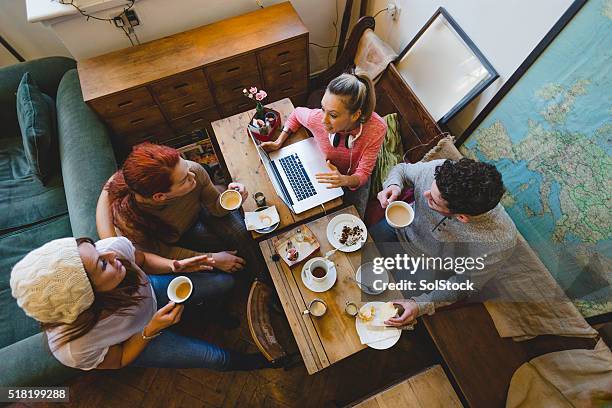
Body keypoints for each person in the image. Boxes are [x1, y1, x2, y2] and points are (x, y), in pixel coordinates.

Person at [10, 236, 276, 371]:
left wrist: (176, 265)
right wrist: (150, 330)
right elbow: (121, 359)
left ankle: (211, 316)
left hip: (152, 291)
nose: (111, 252)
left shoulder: (111, 249)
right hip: (140, 337)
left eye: (95, 247)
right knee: (213, 358)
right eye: (102, 264)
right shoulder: (73, 348)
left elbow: (144, 260)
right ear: (86, 299)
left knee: (223, 284)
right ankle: (262, 362)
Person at [371, 158, 518, 326]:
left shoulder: (500, 241)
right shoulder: (438, 170)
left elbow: (466, 283)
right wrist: (393, 185)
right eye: (431, 188)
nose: (425, 193)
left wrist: (420, 305)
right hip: (398, 229)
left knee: (386, 307)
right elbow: (402, 170)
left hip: (428, 266)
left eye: (433, 200)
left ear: (461, 217)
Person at [96, 142, 265, 278]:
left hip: (199, 211)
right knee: (226, 248)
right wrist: (213, 259)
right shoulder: (132, 220)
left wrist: (233, 199)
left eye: (186, 167)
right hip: (176, 240)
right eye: (184, 180)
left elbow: (215, 208)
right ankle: (258, 280)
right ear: (160, 196)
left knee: (242, 234)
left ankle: (264, 277)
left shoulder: (192, 170)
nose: (193, 176)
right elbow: (165, 253)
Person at [260, 73, 387, 217]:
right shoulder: (316, 118)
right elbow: (296, 114)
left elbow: (363, 173)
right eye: (322, 108)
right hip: (323, 171)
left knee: (354, 220)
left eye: (333, 115)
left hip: (353, 180)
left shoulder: (377, 129)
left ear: (355, 115)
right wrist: (279, 142)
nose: (323, 120)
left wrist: (344, 180)